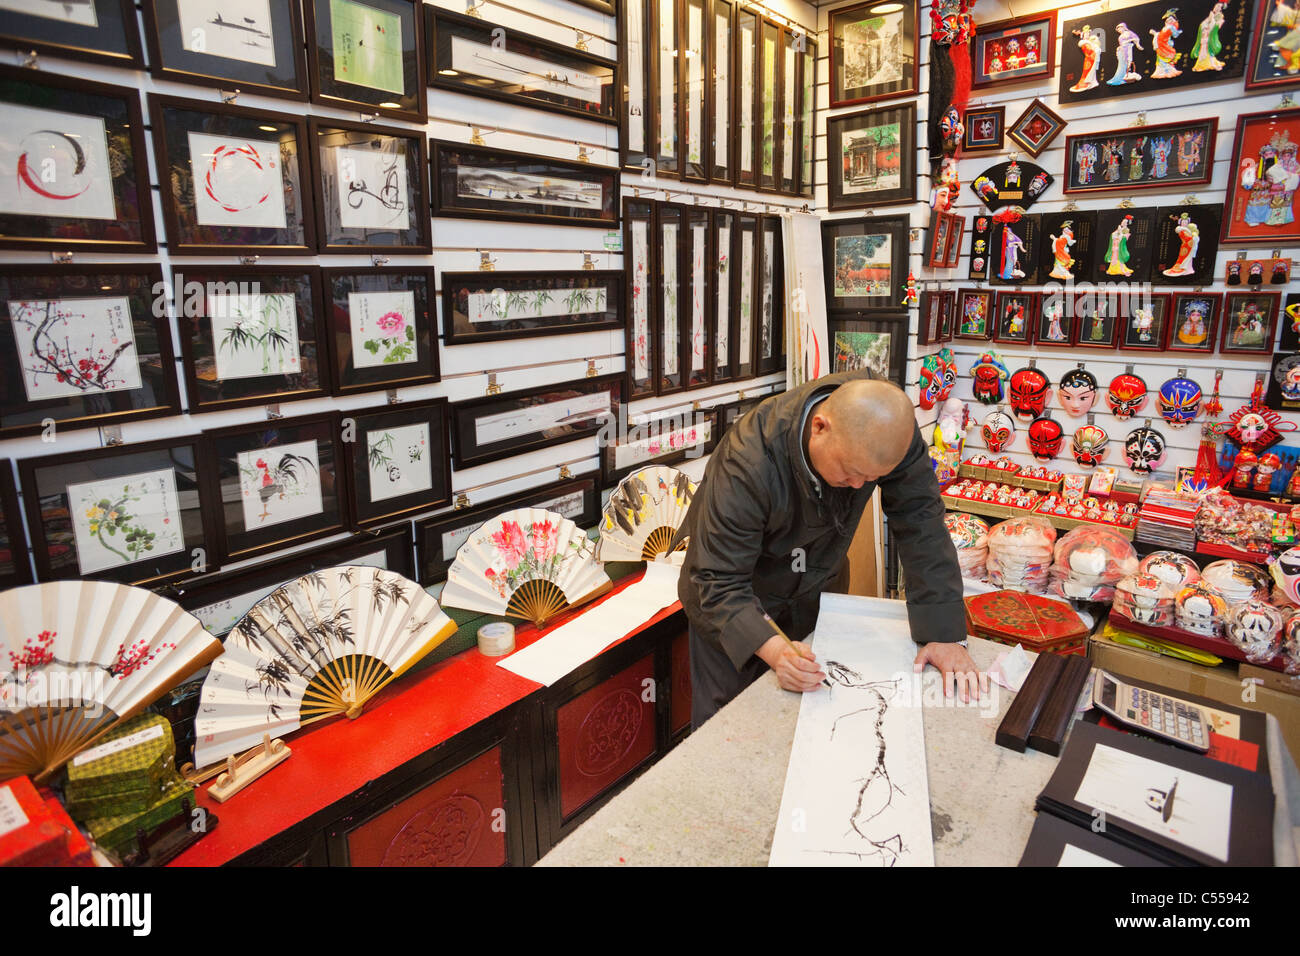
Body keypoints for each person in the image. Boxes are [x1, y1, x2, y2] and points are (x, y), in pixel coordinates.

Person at [674, 372, 985, 727]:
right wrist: (775, 649)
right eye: (850, 472)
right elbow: (718, 579)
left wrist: (943, 634)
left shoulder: (889, 429)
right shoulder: (747, 461)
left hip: (816, 583)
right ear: (819, 427)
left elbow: (920, 519)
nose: (856, 487)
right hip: (733, 603)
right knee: (732, 727)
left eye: (870, 479)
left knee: (815, 721)